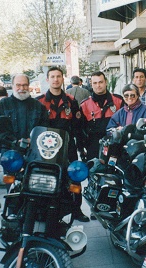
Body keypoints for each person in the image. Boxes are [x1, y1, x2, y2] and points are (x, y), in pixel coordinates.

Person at [37, 67, 89, 222]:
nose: (55, 79)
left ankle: (76, 210)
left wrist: (81, 147)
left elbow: (78, 126)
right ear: (47, 80)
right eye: (52, 77)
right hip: (47, 149)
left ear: (62, 79)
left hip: (67, 147)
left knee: (74, 176)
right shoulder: (39, 102)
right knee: (49, 177)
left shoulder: (71, 101)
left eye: (58, 76)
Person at [78, 71, 124, 161]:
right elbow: (80, 129)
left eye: (100, 82)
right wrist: (81, 149)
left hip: (115, 146)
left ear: (105, 82)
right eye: (95, 83)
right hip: (94, 147)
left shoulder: (118, 101)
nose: (98, 85)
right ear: (91, 84)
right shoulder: (84, 105)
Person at [0, 74, 48, 142]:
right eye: (18, 85)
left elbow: (44, 127)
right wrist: (14, 141)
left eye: (25, 85)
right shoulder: (3, 104)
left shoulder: (38, 106)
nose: (22, 88)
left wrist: (33, 139)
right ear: (13, 86)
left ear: (28, 86)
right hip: (10, 148)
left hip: (33, 147)